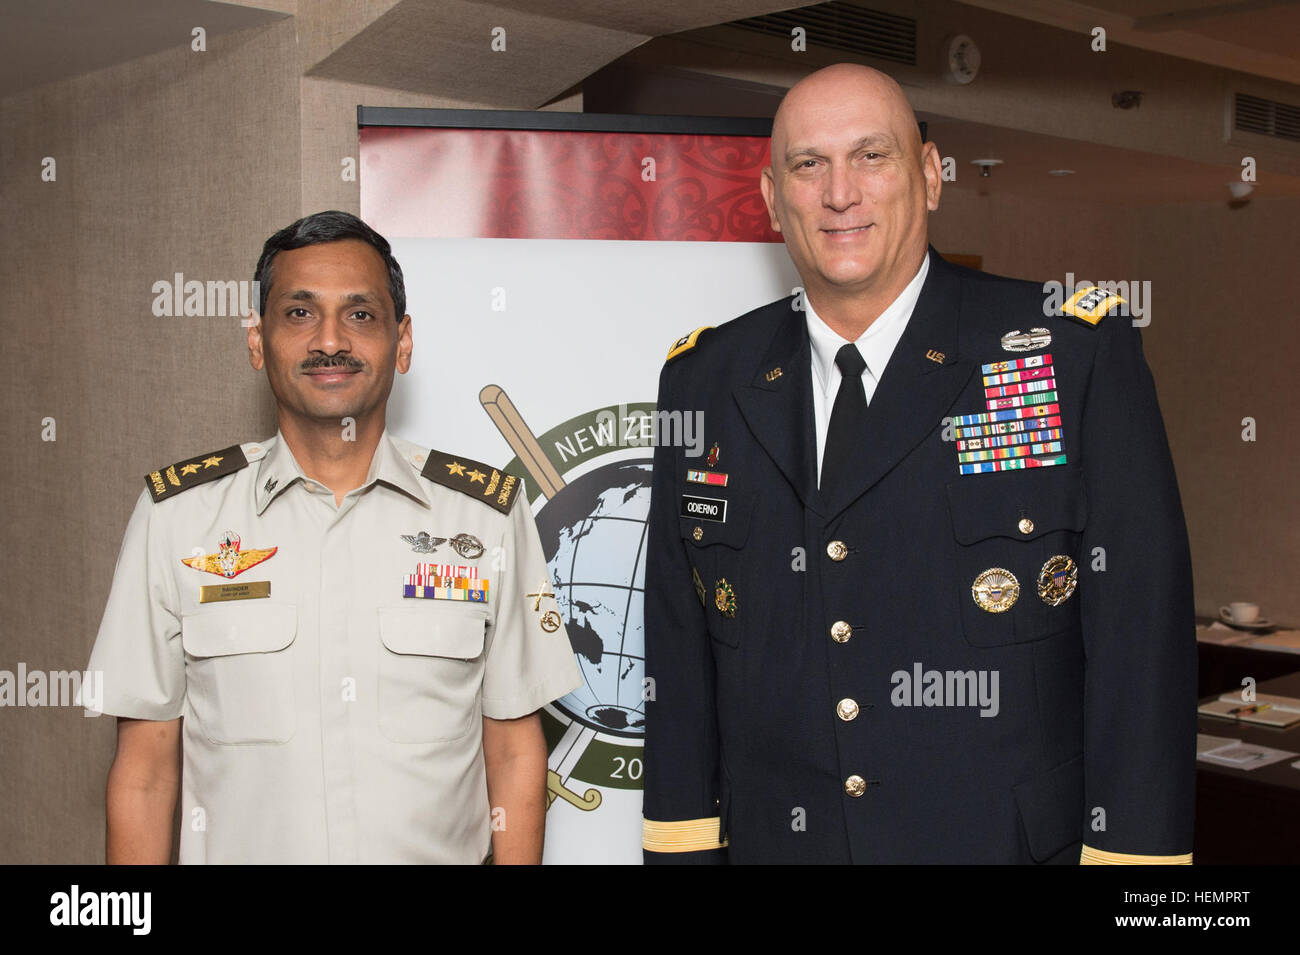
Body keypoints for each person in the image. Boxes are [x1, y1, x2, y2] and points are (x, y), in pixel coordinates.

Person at [641, 65, 1195, 864]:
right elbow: (679, 650)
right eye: (809, 165)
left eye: (872, 156)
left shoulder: (1066, 353)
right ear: (770, 198)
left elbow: (1143, 649)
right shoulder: (705, 380)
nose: (840, 193)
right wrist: (682, 848)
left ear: (930, 177)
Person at [86, 211, 581, 864]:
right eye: (298, 313)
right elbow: (145, 769)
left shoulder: (486, 517)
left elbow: (515, 749)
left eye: (360, 315)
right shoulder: (176, 517)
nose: (329, 340)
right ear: (257, 340)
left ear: (402, 342)